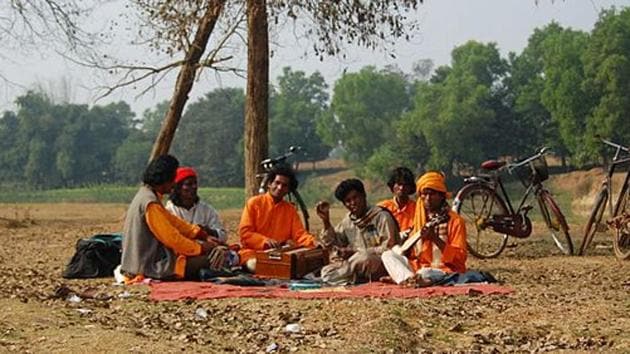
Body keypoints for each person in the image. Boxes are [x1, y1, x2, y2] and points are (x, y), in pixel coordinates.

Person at [120, 155, 223, 282]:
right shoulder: (150, 202)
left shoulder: (148, 196)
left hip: (142, 262)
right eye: (173, 178)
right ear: (165, 179)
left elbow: (174, 222)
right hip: (147, 266)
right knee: (214, 259)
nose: (174, 183)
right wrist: (201, 248)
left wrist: (201, 235)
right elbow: (172, 238)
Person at [381, 171, 467, 285]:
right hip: (417, 268)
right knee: (388, 255)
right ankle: (409, 279)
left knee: (426, 273)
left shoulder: (455, 221)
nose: (427, 198)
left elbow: (460, 259)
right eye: (424, 194)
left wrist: (435, 239)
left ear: (441, 195)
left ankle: (406, 279)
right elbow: (414, 255)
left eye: (432, 194)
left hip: (443, 270)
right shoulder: (418, 219)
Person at [316, 178, 400, 285]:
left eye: (355, 197)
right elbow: (333, 244)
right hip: (355, 264)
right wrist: (326, 221)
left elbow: (390, 248)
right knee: (327, 271)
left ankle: (347, 277)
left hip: (381, 263)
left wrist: (356, 251)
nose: (353, 203)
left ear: (363, 195)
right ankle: (353, 277)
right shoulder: (348, 221)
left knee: (364, 258)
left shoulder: (381, 216)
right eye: (348, 201)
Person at [238, 165, 316, 272]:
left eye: (284, 185)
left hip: (281, 255)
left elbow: (300, 234)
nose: (279, 188)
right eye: (277, 183)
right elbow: (245, 234)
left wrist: (313, 242)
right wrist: (264, 241)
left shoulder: (290, 209)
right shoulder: (254, 203)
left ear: (288, 190)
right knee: (255, 265)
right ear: (269, 184)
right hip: (253, 253)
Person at [165, 167, 227, 243]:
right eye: (189, 184)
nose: (194, 187)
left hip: (207, 251)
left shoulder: (206, 209)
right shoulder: (169, 210)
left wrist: (207, 231)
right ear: (178, 188)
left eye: (195, 183)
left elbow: (223, 236)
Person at [378, 167, 416, 233]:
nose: (401, 188)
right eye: (399, 184)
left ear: (410, 187)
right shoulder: (382, 208)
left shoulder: (417, 208)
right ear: (392, 185)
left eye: (405, 185)